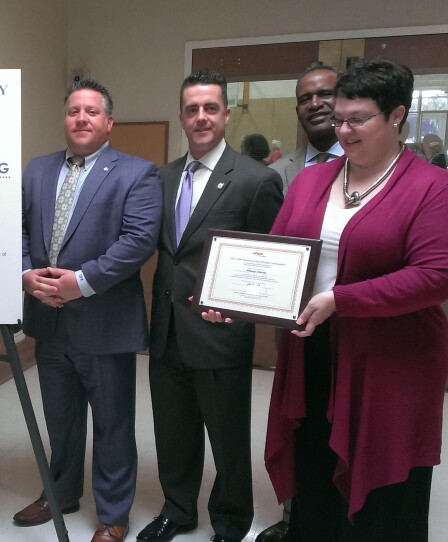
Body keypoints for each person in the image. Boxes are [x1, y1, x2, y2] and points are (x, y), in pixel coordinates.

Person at [260, 57, 448, 542]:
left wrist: (341, 300)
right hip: (314, 356)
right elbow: (276, 256)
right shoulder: (311, 181)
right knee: (316, 480)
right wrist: (237, 303)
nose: (343, 130)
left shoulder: (432, 187)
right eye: (339, 119)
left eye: (358, 119)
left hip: (390, 364)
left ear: (396, 116)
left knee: (385, 499)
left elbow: (433, 276)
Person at [138, 69, 283, 542]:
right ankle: (178, 510)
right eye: (192, 109)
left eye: (211, 108)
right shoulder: (160, 178)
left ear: (225, 114)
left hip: (221, 334)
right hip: (167, 332)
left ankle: (230, 520)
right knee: (173, 434)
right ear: (181, 116)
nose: (201, 117)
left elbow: (269, 262)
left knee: (227, 439)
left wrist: (241, 307)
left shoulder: (255, 179)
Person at [16, 79, 161, 542]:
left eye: (91, 112)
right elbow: (14, 230)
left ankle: (114, 514)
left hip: (106, 322)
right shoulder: (37, 170)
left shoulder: (137, 173)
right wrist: (24, 274)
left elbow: (137, 241)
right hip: (47, 319)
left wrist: (81, 283)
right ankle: (60, 493)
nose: (81, 118)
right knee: (60, 418)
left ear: (109, 122)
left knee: (113, 423)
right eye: (73, 111)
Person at [257, 61, 343, 542]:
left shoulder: (380, 168)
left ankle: (344, 513)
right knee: (297, 420)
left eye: (326, 93)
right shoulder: (280, 173)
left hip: (355, 321)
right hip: (294, 325)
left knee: (345, 423)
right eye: (306, 97)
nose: (317, 103)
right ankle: (296, 517)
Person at [270, 62, 344, 194]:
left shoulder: (372, 164)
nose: (314, 104)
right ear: (298, 112)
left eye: (326, 94)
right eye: (305, 99)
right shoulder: (275, 173)